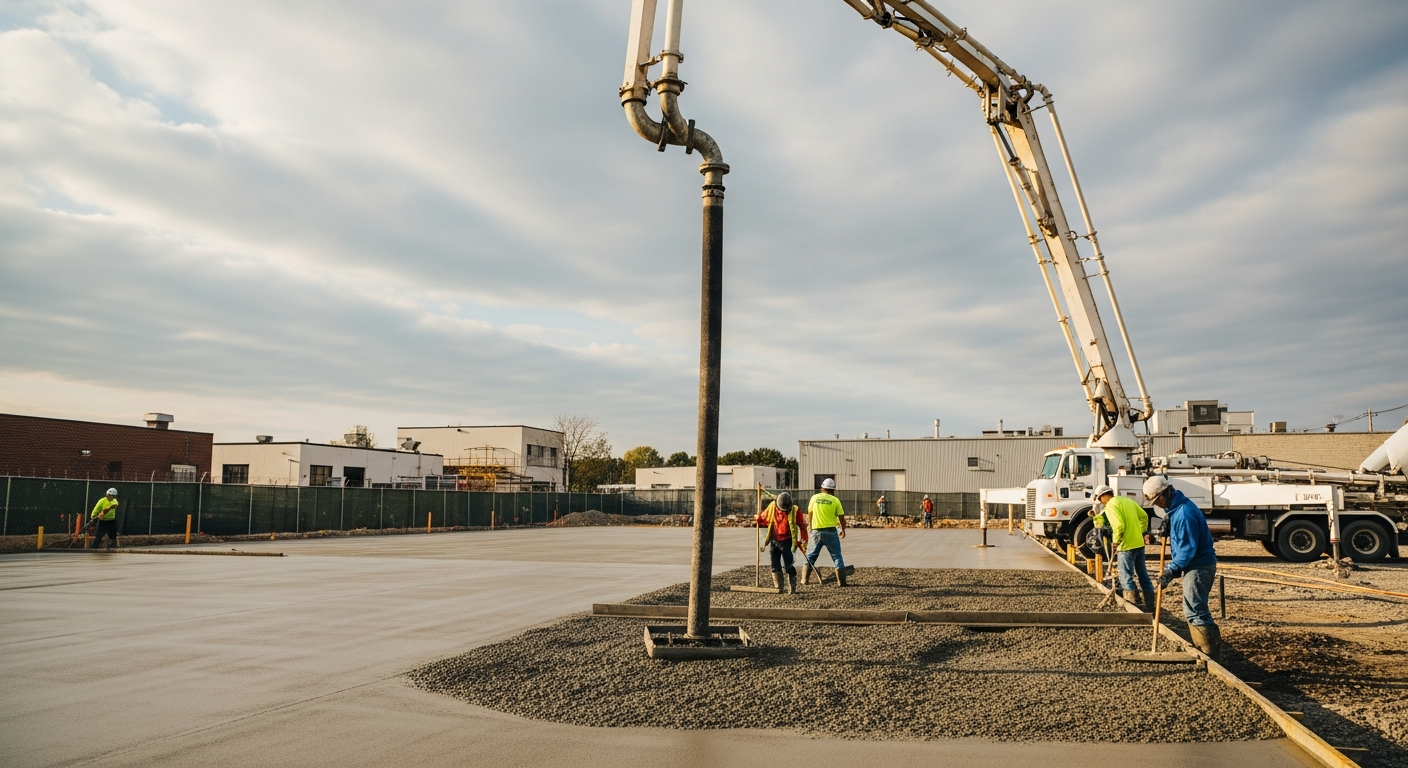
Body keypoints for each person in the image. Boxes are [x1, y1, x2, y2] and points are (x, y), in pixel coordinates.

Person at [1144, 475, 1221, 661]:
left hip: (1199, 566)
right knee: (1193, 608)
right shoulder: (1176, 509)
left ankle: (1209, 655)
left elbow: (1188, 548)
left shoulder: (1184, 513)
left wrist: (1172, 569)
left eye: (1157, 500)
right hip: (1195, 564)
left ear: (1165, 493)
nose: (1158, 505)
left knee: (1195, 610)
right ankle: (1205, 651)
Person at [1093, 485, 1153, 610]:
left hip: (1125, 546)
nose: (1101, 502)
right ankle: (1151, 604)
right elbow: (1144, 517)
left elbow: (1119, 526)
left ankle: (1132, 606)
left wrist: (1115, 542)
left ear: (1103, 496)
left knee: (1126, 576)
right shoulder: (1127, 501)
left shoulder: (1110, 506)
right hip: (1139, 544)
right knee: (1143, 574)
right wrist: (1141, 532)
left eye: (1099, 499)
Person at [756, 492, 808, 593]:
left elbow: (802, 526)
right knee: (775, 565)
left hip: (788, 541)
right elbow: (763, 518)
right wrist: (757, 518)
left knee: (788, 565)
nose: (785, 512)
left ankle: (792, 588)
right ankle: (779, 587)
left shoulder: (795, 510)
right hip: (774, 540)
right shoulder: (772, 507)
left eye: (787, 510)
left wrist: (803, 540)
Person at [804, 478, 848, 586]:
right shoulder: (835, 500)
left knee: (810, 556)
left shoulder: (814, 498)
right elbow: (841, 518)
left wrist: (811, 526)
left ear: (822, 488)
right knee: (837, 556)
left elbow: (810, 513)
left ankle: (804, 580)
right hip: (831, 532)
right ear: (833, 489)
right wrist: (843, 530)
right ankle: (841, 582)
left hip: (816, 532)